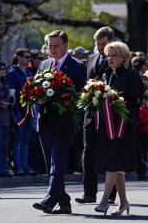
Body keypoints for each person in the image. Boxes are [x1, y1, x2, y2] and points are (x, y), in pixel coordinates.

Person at [32, 30, 86, 214]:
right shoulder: (44, 64)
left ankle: (49, 200)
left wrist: (61, 96)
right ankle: (64, 203)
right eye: (49, 45)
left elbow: (80, 92)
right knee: (50, 164)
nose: (52, 49)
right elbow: (36, 87)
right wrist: (35, 97)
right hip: (45, 120)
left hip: (64, 122)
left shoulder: (76, 66)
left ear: (65, 46)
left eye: (56, 46)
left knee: (58, 161)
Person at [94, 41, 138, 216]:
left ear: (123, 57)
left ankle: (104, 201)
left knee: (113, 163)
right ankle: (124, 202)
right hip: (107, 125)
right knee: (116, 165)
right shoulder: (105, 75)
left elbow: (134, 100)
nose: (109, 58)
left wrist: (116, 101)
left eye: (113, 55)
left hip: (122, 126)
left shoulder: (131, 75)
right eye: (108, 55)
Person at [75, 27, 115, 205]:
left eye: (104, 44)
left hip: (109, 114)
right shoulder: (90, 59)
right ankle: (89, 192)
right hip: (91, 113)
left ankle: (112, 192)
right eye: (98, 44)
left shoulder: (117, 59)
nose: (100, 47)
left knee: (108, 153)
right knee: (88, 152)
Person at [6, 48, 37, 177]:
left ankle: (25, 166)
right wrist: (16, 109)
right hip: (19, 111)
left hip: (29, 110)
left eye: (30, 57)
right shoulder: (13, 73)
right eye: (26, 57)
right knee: (17, 139)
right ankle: (17, 166)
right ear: (19, 57)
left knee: (26, 139)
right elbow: (11, 94)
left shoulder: (29, 72)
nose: (28, 59)